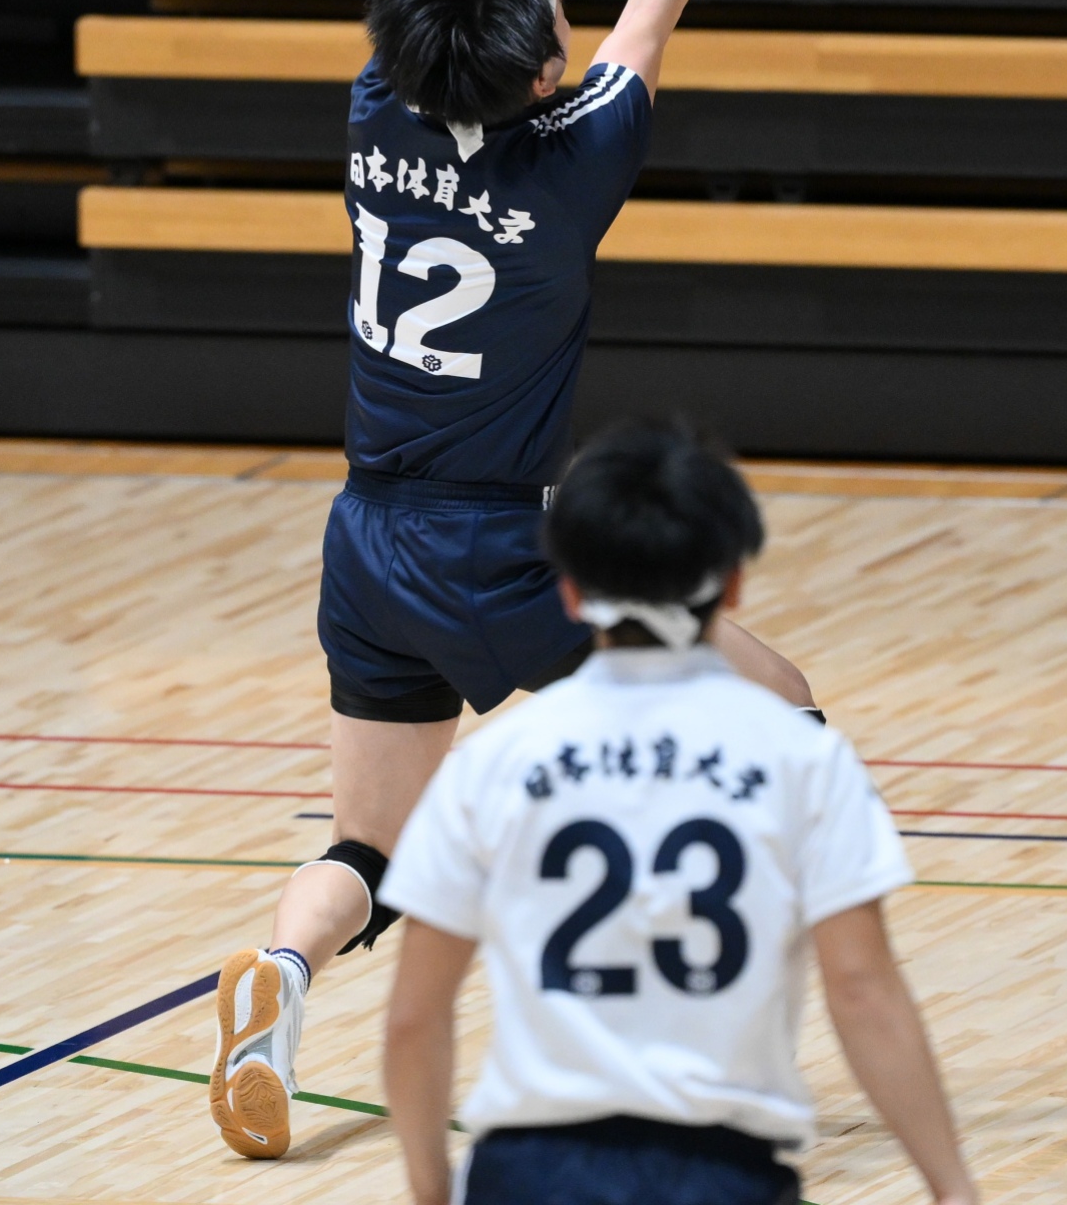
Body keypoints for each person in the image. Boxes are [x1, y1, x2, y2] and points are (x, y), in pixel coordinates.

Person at [208, 0, 821, 1161]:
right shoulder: (573, 160)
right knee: (781, 711)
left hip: (365, 544)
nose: (557, 3)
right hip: (494, 550)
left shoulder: (379, 99)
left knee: (368, 850)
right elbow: (646, 4)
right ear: (542, 71)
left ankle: (278, 977)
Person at [378, 421, 977, 1205]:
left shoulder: (492, 764)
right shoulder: (800, 757)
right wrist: (952, 1188)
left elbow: (414, 1019)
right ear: (731, 585)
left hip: (528, 1174)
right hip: (722, 1176)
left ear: (567, 589)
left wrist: (431, 1191)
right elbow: (861, 989)